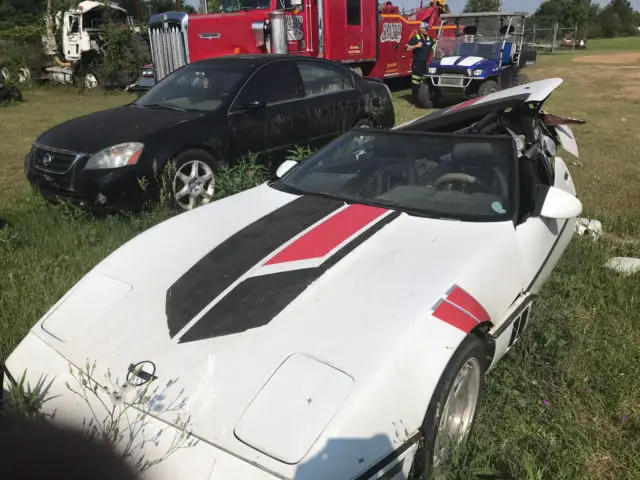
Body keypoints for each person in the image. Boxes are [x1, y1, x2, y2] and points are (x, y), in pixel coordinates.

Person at [405, 21, 434, 106]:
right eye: (425, 29)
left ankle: (423, 99)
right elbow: (406, 48)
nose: (427, 30)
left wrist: (437, 42)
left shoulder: (429, 39)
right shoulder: (416, 38)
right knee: (416, 83)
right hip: (417, 64)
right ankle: (414, 101)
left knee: (424, 82)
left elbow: (433, 46)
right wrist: (416, 46)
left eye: (427, 29)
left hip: (425, 64)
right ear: (421, 29)